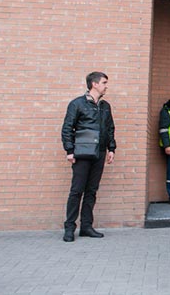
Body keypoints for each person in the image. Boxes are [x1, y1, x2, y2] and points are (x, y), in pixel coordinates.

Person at [61, 71, 116, 242]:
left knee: (91, 191)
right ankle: (69, 228)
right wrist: (69, 150)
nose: (106, 86)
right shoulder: (77, 104)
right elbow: (67, 128)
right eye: (104, 83)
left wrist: (111, 148)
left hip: (99, 152)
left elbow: (110, 128)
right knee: (77, 191)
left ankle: (86, 226)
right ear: (94, 84)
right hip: (82, 153)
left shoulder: (105, 106)